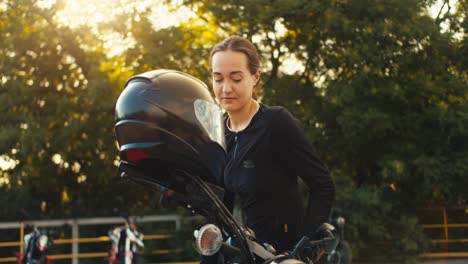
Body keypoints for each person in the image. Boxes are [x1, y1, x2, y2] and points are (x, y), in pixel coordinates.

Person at [209, 35, 336, 255]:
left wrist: (302, 247)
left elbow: (323, 185)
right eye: (218, 79)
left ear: (255, 77)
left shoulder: (276, 123)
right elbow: (222, 206)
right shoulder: (219, 133)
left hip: (284, 255)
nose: (226, 88)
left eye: (236, 79)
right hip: (247, 254)